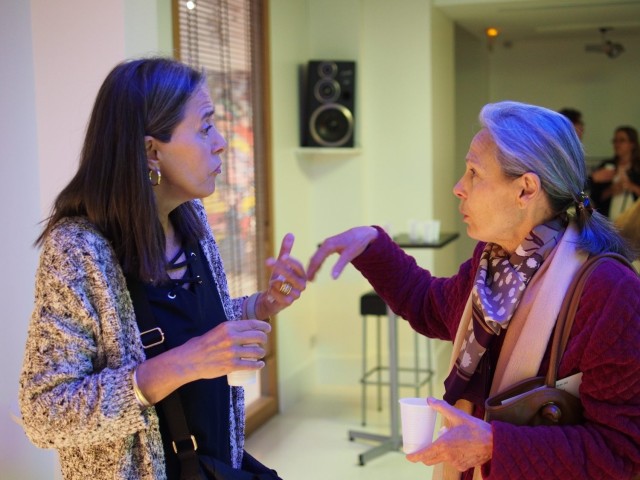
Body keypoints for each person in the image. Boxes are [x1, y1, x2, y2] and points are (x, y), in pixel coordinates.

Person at [307, 101, 640, 479]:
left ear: (526, 189)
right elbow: (430, 306)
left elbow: (621, 451)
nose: (458, 188)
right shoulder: (494, 260)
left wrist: (494, 445)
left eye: (473, 173)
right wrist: (371, 245)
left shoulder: (612, 293)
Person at [19, 57, 306, 480]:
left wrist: (258, 306)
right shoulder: (78, 250)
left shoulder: (190, 219)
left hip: (213, 465)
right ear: (152, 151)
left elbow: (185, 327)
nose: (221, 143)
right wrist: (182, 364)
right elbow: (44, 412)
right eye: (205, 127)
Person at [589, 125, 640, 219]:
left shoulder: (637, 168)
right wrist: (611, 190)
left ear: (632, 144)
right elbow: (594, 197)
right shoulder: (606, 167)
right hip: (608, 222)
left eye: (622, 140)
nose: (617, 144)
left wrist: (632, 187)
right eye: (615, 141)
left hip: (634, 222)